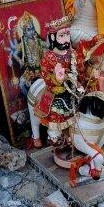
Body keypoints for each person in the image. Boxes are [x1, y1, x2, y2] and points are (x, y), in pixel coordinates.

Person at [27, 15, 76, 148]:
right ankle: (52, 137)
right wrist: (57, 79)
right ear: (53, 37)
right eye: (62, 35)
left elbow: (79, 68)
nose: (66, 39)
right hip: (55, 90)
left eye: (67, 35)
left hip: (73, 88)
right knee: (56, 112)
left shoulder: (71, 53)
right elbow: (45, 76)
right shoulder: (49, 57)